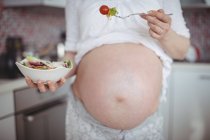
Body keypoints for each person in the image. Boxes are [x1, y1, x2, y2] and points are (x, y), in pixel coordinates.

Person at [26, 0, 190, 139]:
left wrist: (166, 34)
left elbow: (181, 51)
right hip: (86, 123)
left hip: (145, 127)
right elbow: (72, 54)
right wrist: (53, 74)